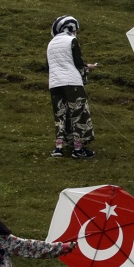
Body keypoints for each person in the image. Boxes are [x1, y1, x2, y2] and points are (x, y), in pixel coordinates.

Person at [46, 15, 98, 159]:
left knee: (60, 114)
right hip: (72, 82)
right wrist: (87, 69)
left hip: (55, 83)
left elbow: (49, 66)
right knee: (78, 114)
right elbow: (78, 63)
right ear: (71, 28)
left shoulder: (51, 43)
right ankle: (78, 149)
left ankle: (59, 147)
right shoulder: (71, 40)